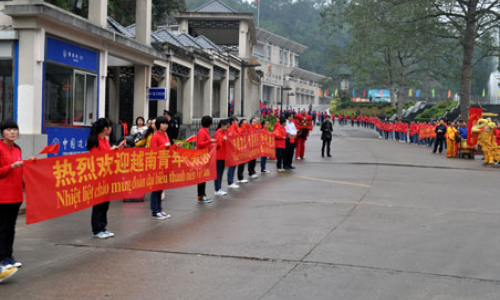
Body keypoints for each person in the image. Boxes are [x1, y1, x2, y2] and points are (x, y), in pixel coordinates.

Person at [87, 118, 125, 239]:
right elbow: (97, 158)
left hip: (107, 175)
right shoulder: (95, 142)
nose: (111, 129)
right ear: (105, 129)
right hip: (98, 176)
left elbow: (109, 155)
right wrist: (110, 151)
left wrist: (118, 148)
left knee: (105, 204)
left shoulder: (105, 141)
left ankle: (103, 226)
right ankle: (97, 229)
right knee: (98, 204)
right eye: (110, 127)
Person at [0, 120, 25, 270]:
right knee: (1, 228)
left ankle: (9, 256)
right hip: (2, 195)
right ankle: (2, 259)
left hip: (16, 195)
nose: (12, 132)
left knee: (11, 227)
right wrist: (11, 166)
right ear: (2, 132)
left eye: (14, 129)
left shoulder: (17, 149)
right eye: (8, 130)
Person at [149, 116, 172, 219]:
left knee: (161, 188)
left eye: (166, 123)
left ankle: (160, 208)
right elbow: (153, 152)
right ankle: (155, 210)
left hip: (165, 164)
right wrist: (164, 147)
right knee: (156, 189)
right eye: (163, 123)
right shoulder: (156, 136)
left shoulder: (165, 135)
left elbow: (168, 148)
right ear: (158, 125)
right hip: (157, 166)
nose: (165, 125)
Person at [197, 116, 216, 203]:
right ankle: (201, 195)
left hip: (205, 156)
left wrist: (214, 145)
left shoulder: (205, 131)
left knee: (203, 177)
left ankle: (202, 195)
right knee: (202, 177)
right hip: (201, 156)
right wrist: (210, 141)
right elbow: (201, 144)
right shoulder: (202, 131)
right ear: (210, 124)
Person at [214, 119, 230, 196]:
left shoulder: (224, 133)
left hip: (223, 156)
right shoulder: (218, 133)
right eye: (226, 127)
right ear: (222, 126)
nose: (227, 129)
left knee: (221, 172)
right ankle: (217, 189)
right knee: (218, 173)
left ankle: (219, 188)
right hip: (218, 156)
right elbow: (216, 144)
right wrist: (222, 140)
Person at [226, 117, 240, 189]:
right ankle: (230, 182)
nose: (237, 123)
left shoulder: (235, 129)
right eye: (236, 121)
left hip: (235, 150)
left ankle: (231, 181)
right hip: (231, 151)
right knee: (231, 166)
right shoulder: (230, 130)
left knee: (234, 166)